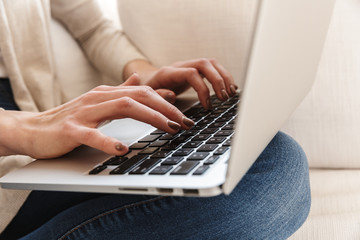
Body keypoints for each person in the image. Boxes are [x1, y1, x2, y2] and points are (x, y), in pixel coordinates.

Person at [0, 0, 311, 239]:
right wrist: (16, 130)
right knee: (266, 184)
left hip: (31, 160)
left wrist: (143, 73)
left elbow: (92, 28)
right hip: (12, 149)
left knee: (268, 156)